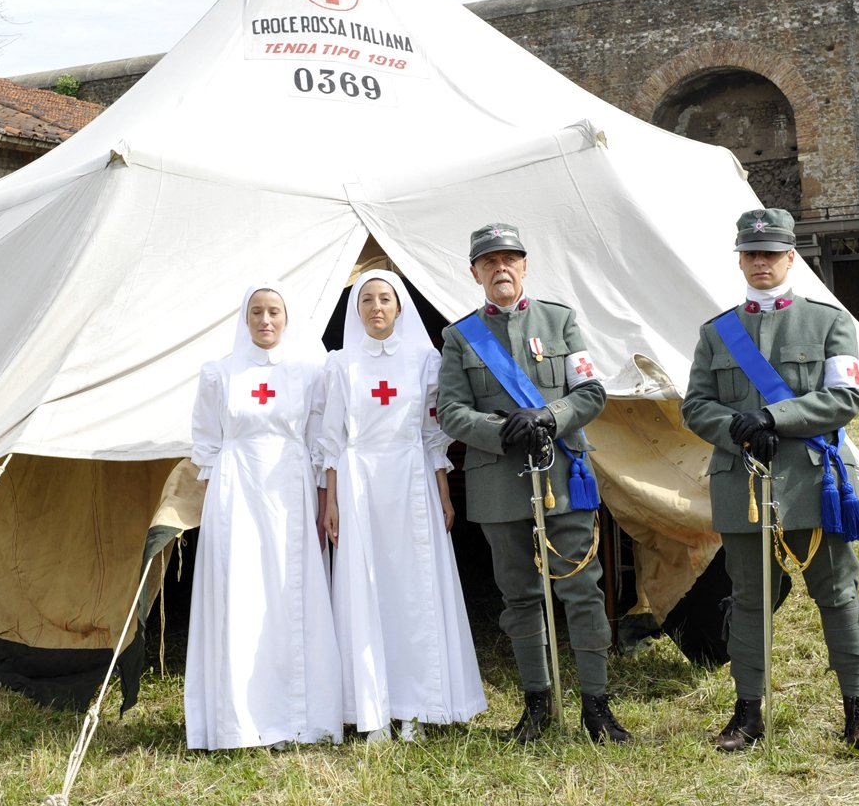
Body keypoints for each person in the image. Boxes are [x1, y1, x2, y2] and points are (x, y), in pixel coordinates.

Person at [681, 208, 859, 754]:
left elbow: (845, 398)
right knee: (748, 600)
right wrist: (738, 430)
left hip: (812, 484)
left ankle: (858, 713)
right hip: (742, 486)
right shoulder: (715, 332)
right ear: (741, 259)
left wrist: (774, 418)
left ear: (791, 257)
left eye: (770, 253)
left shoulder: (828, 322)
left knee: (839, 596)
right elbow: (695, 406)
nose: (760, 262)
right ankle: (747, 716)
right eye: (751, 254)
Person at [437, 224, 631, 744]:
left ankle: (597, 707)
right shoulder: (458, 337)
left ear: (525, 266)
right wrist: (503, 431)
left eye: (510, 259)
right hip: (498, 483)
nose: (501, 268)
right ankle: (537, 707)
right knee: (519, 598)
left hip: (563, 473)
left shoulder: (560, 321)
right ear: (474, 272)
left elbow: (590, 391)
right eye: (489, 261)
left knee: (582, 592)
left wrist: (547, 416)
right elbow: (451, 412)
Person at [320, 269, 487, 742]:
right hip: (358, 485)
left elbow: (432, 433)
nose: (376, 307)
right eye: (367, 299)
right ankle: (373, 709)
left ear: (399, 307)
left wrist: (441, 489)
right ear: (357, 310)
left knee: (414, 592)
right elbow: (331, 440)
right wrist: (331, 501)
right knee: (365, 590)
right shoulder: (340, 365)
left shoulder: (423, 360)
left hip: (411, 481)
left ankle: (415, 705)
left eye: (385, 299)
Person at [184, 282, 342, 750]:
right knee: (242, 595)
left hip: (290, 494)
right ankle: (239, 720)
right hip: (237, 494)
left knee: (288, 595)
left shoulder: (308, 373)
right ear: (245, 318)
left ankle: (298, 718)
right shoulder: (219, 374)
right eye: (257, 312)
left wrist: (321, 502)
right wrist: (215, 511)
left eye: (274, 311)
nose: (266, 320)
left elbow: (319, 443)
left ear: (287, 318)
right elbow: (207, 446)